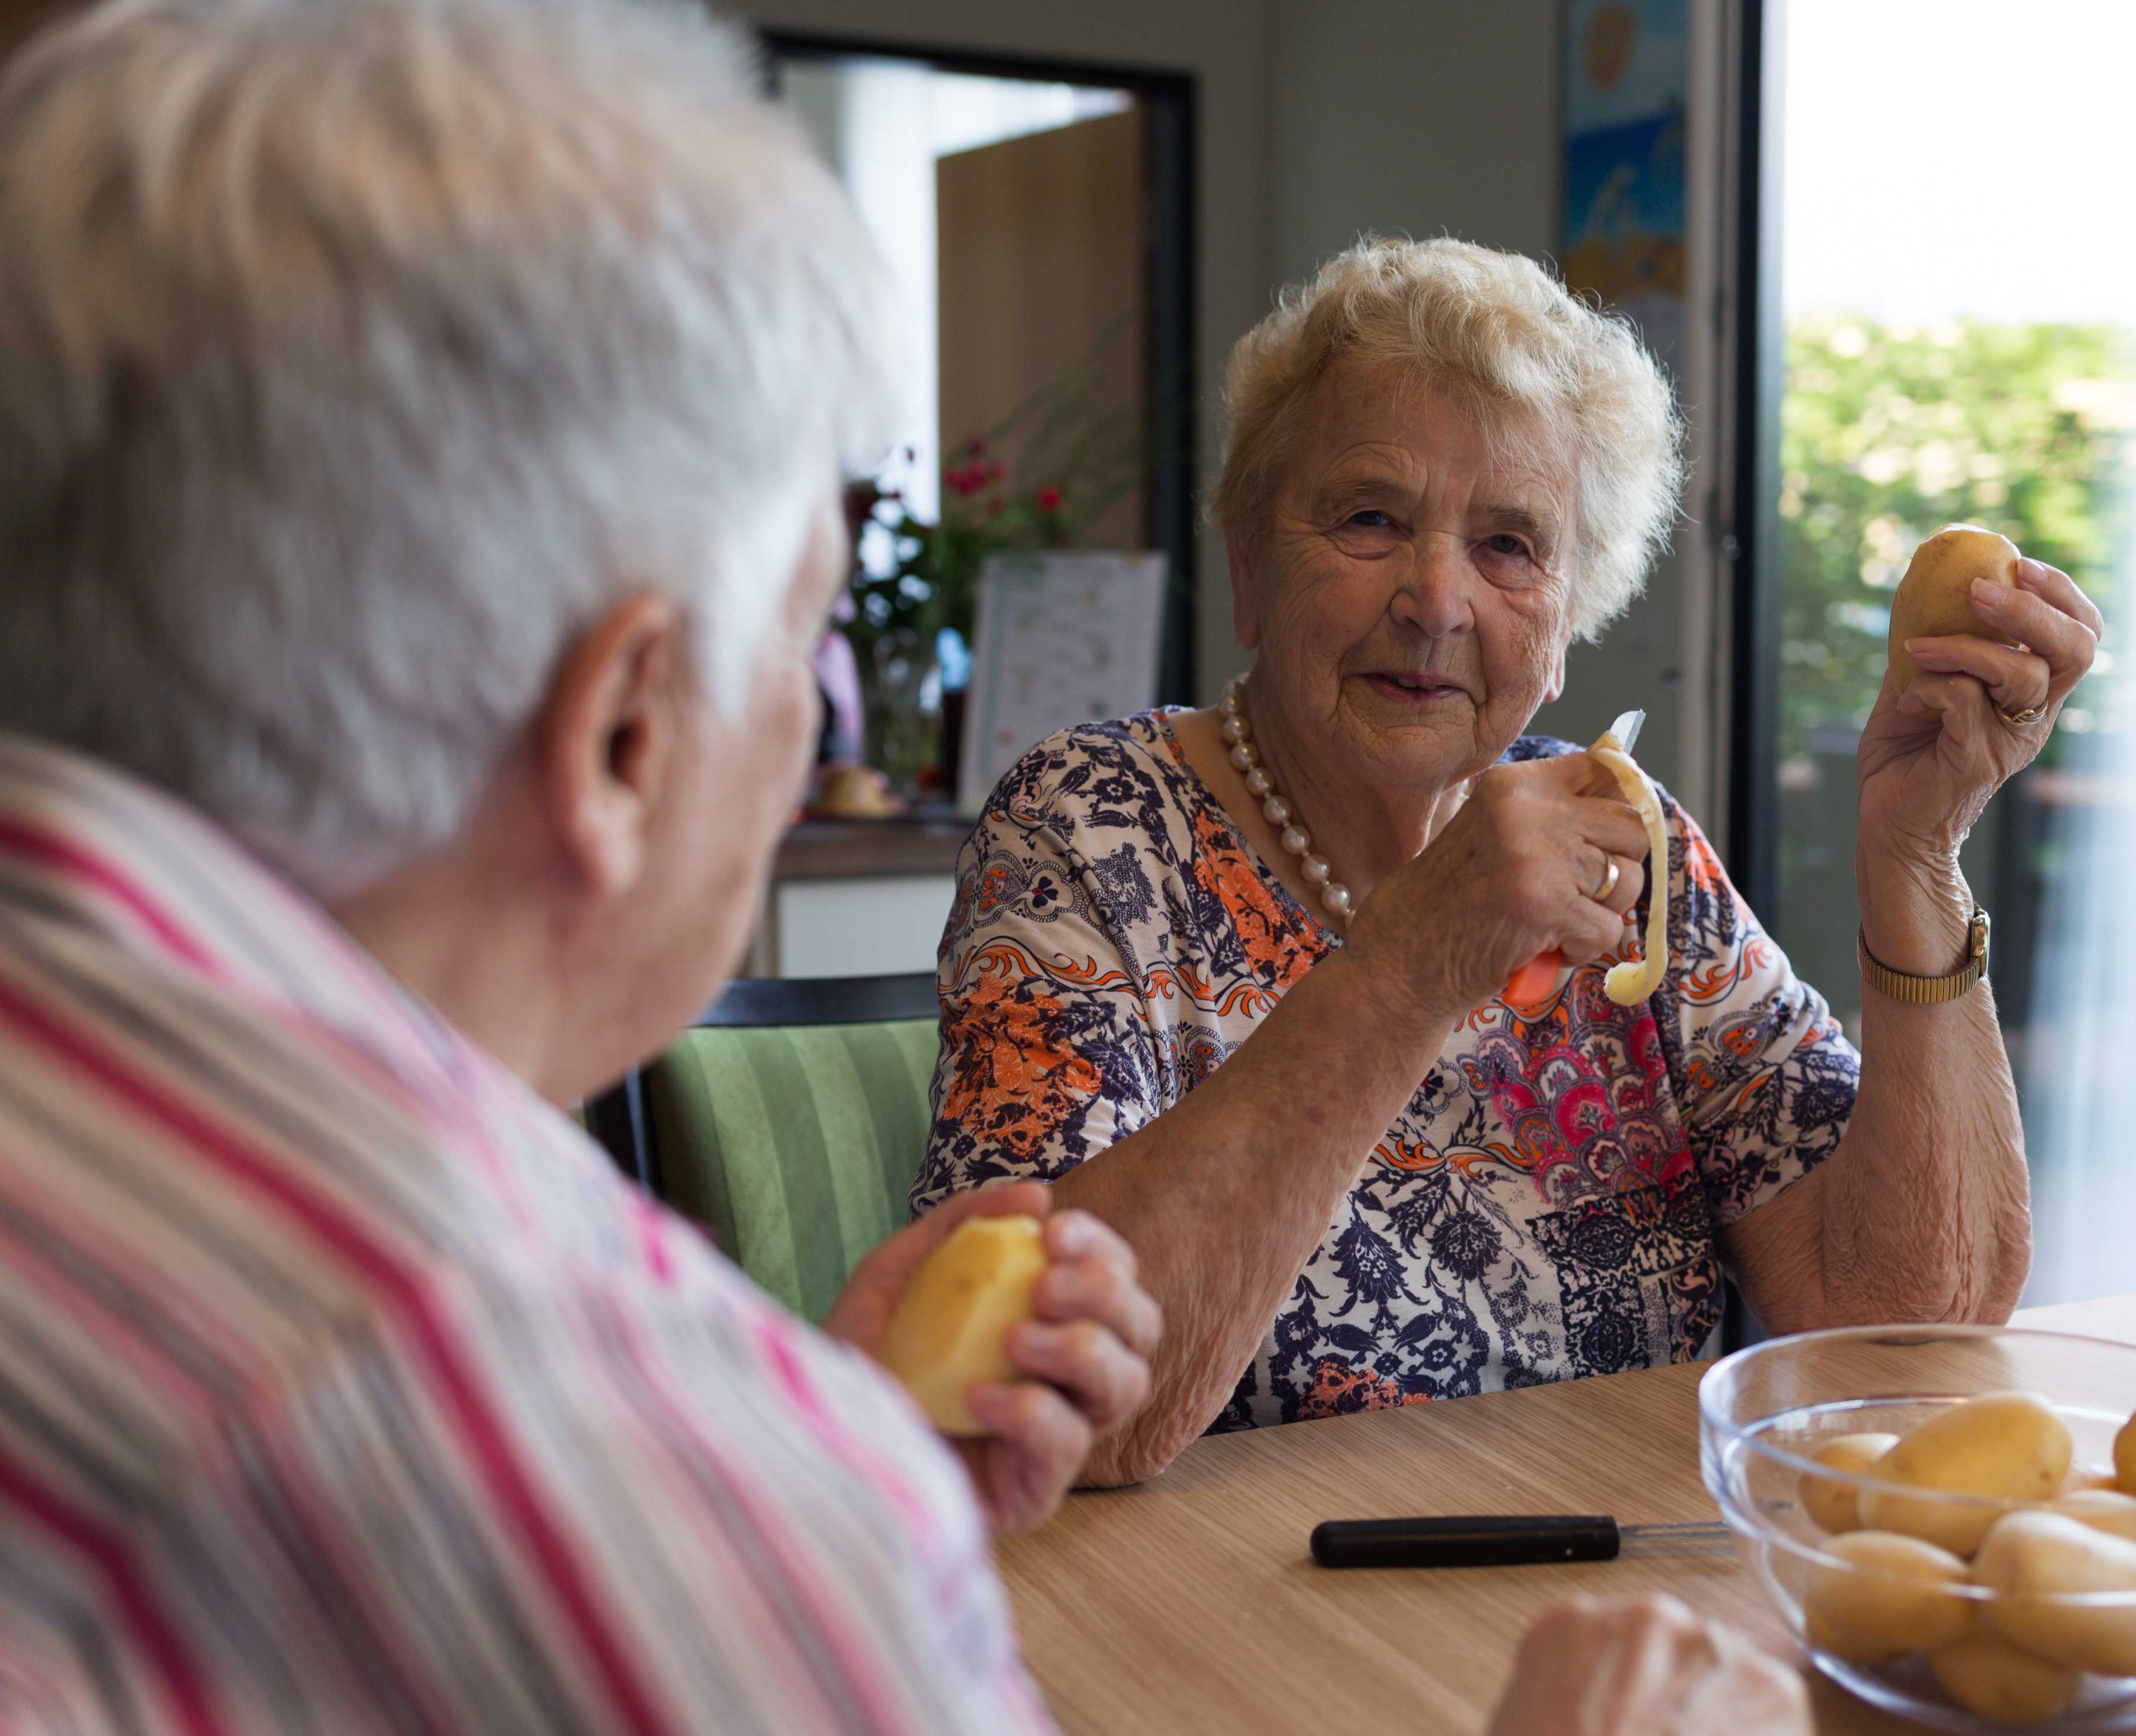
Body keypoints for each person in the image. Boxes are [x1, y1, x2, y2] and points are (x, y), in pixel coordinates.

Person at [0, 2, 1806, 1731]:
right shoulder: (599, 1448)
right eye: (800, 636)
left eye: (1508, 545)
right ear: (630, 729)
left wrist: (843, 1423)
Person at [920, 237, 2102, 1481]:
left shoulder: (1630, 852)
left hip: (1605, 1594)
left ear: (1566, 613)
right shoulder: (1090, 826)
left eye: (1509, 546)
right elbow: (1039, 1401)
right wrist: (1414, 961)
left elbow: (1909, 1329)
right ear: (1250, 567)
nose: (1438, 599)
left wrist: (1913, 853)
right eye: (1371, 519)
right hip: (1235, 1637)